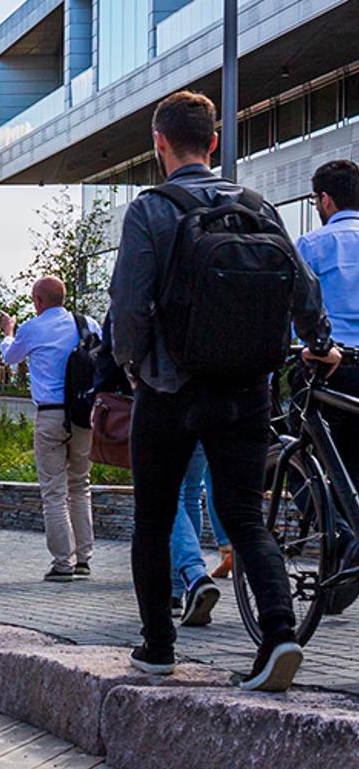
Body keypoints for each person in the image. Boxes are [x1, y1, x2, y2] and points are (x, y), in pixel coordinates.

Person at [108, 89, 341, 693]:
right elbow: (303, 286)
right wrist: (319, 340)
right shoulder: (260, 207)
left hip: (169, 387)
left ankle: (158, 648)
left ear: (158, 144)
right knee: (244, 516)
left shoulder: (151, 210)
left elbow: (129, 306)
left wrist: (133, 367)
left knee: (155, 519)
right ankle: (280, 635)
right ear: (213, 142)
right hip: (247, 387)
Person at [0, 275, 97, 582]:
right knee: (80, 485)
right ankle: (84, 558)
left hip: (51, 416)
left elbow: (9, 357)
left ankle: (62, 564)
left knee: (54, 491)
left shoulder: (32, 328)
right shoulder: (88, 324)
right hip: (84, 415)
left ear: (38, 301)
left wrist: (8, 332)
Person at [298, 158, 359, 481]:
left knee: (294, 451)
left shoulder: (311, 245)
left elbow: (293, 308)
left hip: (328, 365)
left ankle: (335, 528)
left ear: (325, 199)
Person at [170, 445, 229, 626]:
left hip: (171, 420)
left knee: (170, 493)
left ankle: (193, 577)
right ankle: (179, 591)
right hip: (208, 422)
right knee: (191, 494)